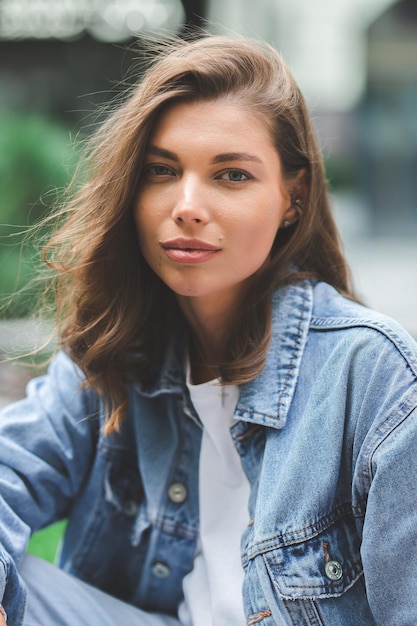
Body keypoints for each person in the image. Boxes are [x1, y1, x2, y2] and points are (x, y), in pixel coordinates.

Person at [0, 33, 416, 626]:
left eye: (232, 176)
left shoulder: (371, 376)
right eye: (161, 170)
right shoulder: (119, 352)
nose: (187, 205)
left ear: (292, 198)